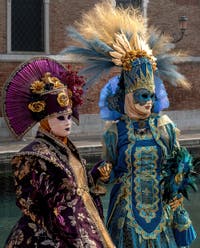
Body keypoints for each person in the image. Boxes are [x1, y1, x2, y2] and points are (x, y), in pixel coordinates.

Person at [61, 2, 197, 247]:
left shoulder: (165, 128)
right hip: (126, 212)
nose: (148, 102)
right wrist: (103, 174)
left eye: (151, 96)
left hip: (162, 210)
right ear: (128, 97)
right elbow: (112, 170)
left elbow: (179, 164)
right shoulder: (114, 132)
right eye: (142, 96)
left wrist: (178, 188)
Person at [2, 57, 115, 248]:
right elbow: (30, 202)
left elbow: (77, 184)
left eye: (69, 117)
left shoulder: (66, 148)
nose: (68, 122)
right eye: (61, 118)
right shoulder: (33, 156)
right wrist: (67, 227)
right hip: (52, 234)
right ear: (45, 121)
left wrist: (94, 176)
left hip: (84, 224)